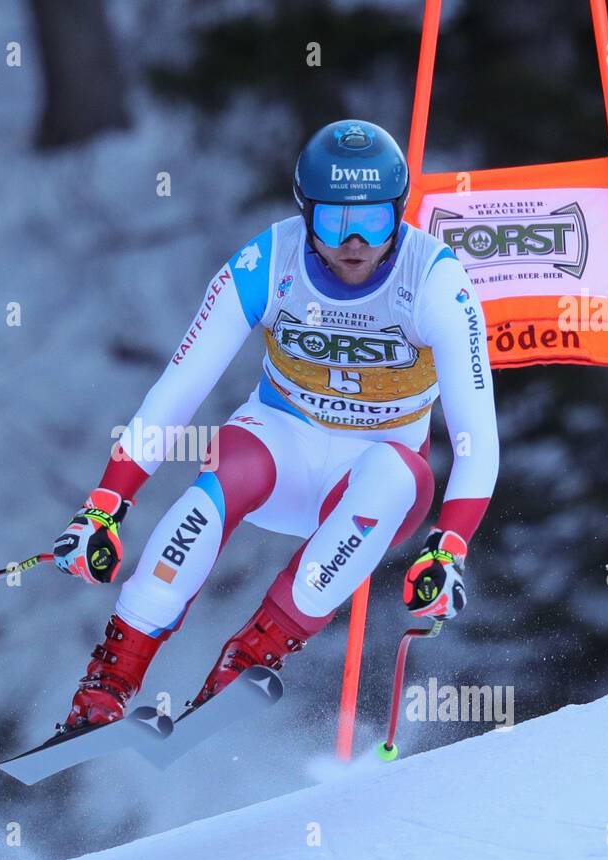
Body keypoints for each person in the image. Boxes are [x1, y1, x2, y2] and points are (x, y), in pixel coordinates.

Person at [52, 119, 498, 733]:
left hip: (372, 477)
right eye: (333, 220)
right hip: (280, 446)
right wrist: (106, 503)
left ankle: (243, 665)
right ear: (303, 211)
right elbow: (180, 387)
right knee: (226, 467)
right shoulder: (268, 261)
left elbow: (477, 439)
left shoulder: (436, 281)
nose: (355, 242)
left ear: (400, 210)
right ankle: (106, 687)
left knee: (396, 473)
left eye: (373, 218)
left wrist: (450, 547)